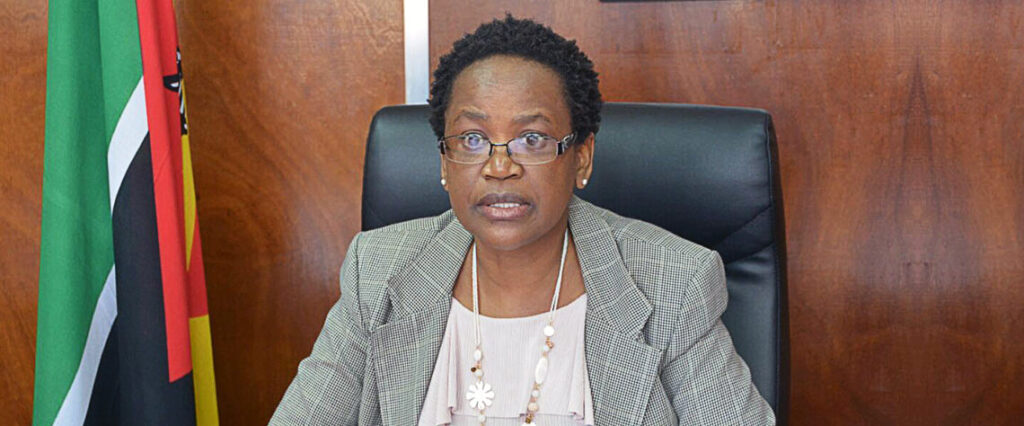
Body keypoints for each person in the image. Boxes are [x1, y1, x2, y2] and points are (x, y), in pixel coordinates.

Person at [272, 15, 775, 425]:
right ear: (444, 161)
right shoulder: (379, 272)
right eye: (472, 139)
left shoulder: (671, 283)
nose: (499, 166)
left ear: (581, 157)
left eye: (531, 139)